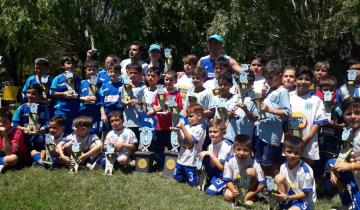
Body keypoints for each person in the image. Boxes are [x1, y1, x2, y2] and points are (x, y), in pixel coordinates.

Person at [256, 61, 291, 176]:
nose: (268, 80)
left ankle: (275, 186)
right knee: (261, 162)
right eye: (266, 78)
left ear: (280, 75)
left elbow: (287, 112)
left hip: (272, 137)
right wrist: (263, 95)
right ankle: (264, 186)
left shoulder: (283, 92)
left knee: (269, 164)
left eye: (271, 77)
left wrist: (270, 110)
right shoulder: (272, 89)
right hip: (262, 133)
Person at [289, 66, 328, 164]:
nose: (303, 81)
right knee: (290, 168)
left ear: (311, 82)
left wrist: (304, 141)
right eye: (300, 78)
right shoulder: (288, 96)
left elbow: (318, 122)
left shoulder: (316, 100)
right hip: (290, 142)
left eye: (307, 79)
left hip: (308, 143)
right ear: (295, 80)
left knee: (307, 170)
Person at [327, 97, 360, 209]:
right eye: (348, 113)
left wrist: (350, 166)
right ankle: (348, 204)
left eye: (357, 113)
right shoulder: (349, 131)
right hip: (356, 174)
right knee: (331, 163)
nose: (353, 117)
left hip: (355, 170)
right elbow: (344, 152)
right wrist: (334, 170)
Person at [150, 70, 183, 170]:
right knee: (157, 146)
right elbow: (154, 104)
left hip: (171, 125)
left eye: (171, 80)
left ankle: (171, 166)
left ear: (175, 81)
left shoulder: (177, 94)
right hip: (159, 124)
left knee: (171, 146)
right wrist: (155, 108)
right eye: (166, 79)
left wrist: (171, 110)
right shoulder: (160, 91)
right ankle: (160, 164)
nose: (168, 82)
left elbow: (179, 108)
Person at [274, 135, 316, 210]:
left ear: (302, 153)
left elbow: (305, 194)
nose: (292, 155)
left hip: (304, 200)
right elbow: (281, 183)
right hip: (290, 196)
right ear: (284, 151)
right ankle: (283, 203)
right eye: (289, 152)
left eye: (296, 153)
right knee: (278, 177)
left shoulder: (306, 171)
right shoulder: (283, 166)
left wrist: (288, 197)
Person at [223, 134, 265, 207]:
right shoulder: (229, 160)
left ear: (251, 151)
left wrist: (247, 195)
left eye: (245, 150)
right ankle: (240, 198)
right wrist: (233, 190)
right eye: (238, 149)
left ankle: (249, 196)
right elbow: (227, 180)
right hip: (236, 187)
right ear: (233, 149)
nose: (241, 153)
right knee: (228, 196)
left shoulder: (255, 162)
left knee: (250, 171)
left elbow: (262, 184)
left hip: (250, 188)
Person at [12, 84, 50, 166]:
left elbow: (48, 123)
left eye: (33, 94)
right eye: (28, 93)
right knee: (29, 151)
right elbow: (15, 124)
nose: (30, 95)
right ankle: (39, 160)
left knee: (45, 149)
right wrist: (23, 129)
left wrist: (41, 129)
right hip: (25, 137)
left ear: (39, 96)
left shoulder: (44, 108)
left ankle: (41, 158)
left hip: (40, 137)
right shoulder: (21, 108)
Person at [172, 103, 206, 187]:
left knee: (192, 183)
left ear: (199, 116)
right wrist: (178, 133)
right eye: (187, 116)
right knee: (176, 177)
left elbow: (191, 140)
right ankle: (183, 177)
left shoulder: (201, 128)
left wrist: (182, 128)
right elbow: (181, 142)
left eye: (191, 116)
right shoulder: (187, 127)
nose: (188, 118)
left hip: (192, 160)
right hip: (182, 158)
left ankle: (201, 178)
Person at [198, 119, 233, 196]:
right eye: (210, 132)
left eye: (215, 132)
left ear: (223, 133)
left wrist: (211, 154)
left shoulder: (226, 146)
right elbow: (212, 165)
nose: (212, 134)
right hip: (216, 174)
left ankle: (227, 188)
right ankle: (212, 182)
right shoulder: (210, 146)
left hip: (227, 176)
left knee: (210, 191)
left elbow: (222, 167)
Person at [50, 56, 81, 134]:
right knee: (60, 131)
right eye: (68, 63)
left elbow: (81, 93)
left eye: (73, 64)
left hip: (75, 110)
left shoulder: (78, 79)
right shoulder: (57, 78)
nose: (71, 65)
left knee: (73, 132)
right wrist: (64, 94)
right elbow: (52, 93)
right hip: (61, 110)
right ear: (63, 66)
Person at [121, 62, 146, 140]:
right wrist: (125, 102)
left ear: (140, 74)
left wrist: (138, 102)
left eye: (135, 73)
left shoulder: (144, 87)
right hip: (128, 120)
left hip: (139, 121)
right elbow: (124, 102)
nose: (132, 75)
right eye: (131, 73)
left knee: (138, 144)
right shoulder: (125, 86)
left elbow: (146, 103)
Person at [99, 63, 123, 133]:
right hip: (107, 112)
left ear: (120, 74)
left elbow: (126, 99)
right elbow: (101, 103)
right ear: (108, 73)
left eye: (115, 72)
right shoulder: (103, 86)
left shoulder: (123, 86)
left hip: (118, 111)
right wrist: (103, 114)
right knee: (105, 132)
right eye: (111, 72)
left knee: (118, 131)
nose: (113, 74)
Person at [79, 62, 101, 133]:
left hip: (95, 112)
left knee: (94, 132)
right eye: (89, 70)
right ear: (85, 71)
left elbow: (103, 98)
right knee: (83, 131)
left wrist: (96, 99)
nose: (91, 72)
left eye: (94, 70)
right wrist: (83, 98)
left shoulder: (101, 83)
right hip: (84, 111)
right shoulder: (81, 83)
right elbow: (77, 96)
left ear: (97, 71)